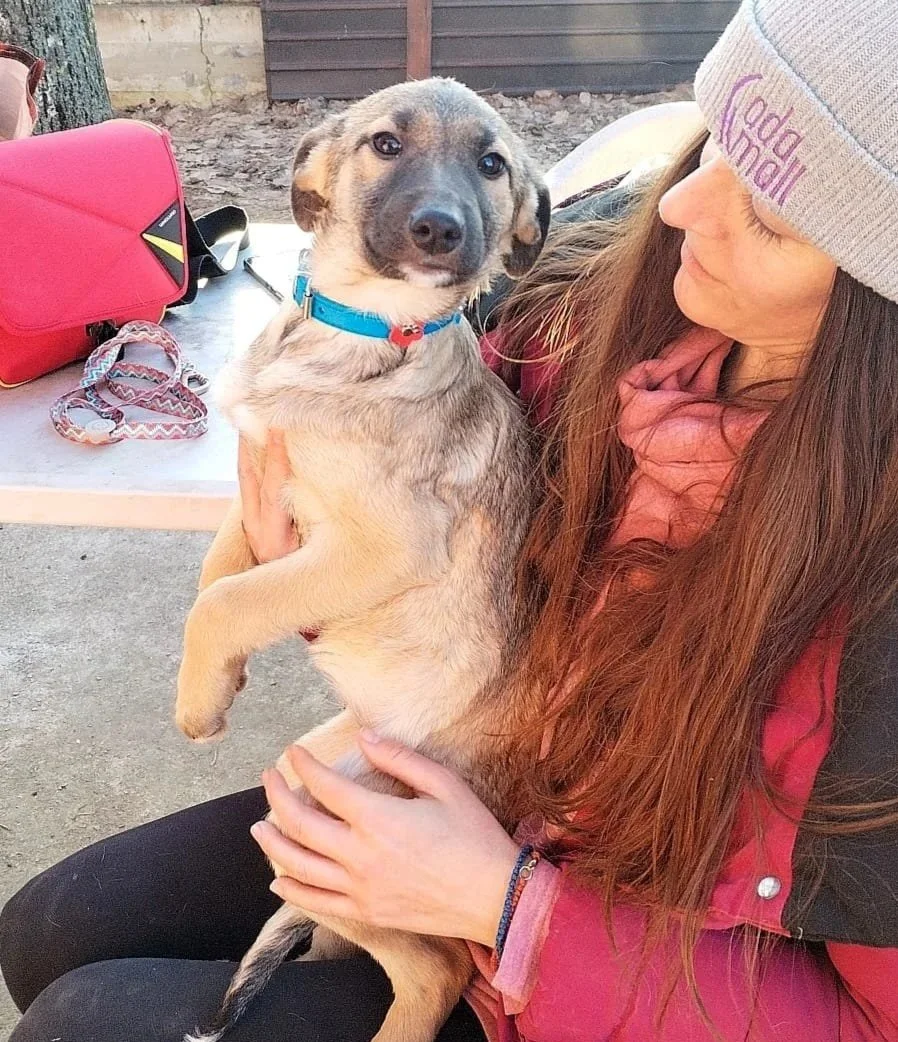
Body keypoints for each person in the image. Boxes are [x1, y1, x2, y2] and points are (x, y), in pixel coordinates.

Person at [3, 0, 898, 1037]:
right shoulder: (571, 305)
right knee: (44, 927)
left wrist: (507, 907)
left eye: (770, 216)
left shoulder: (871, 599)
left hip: (612, 946)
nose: (680, 210)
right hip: (459, 759)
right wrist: (298, 575)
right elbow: (409, 561)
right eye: (708, 147)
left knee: (81, 1018)